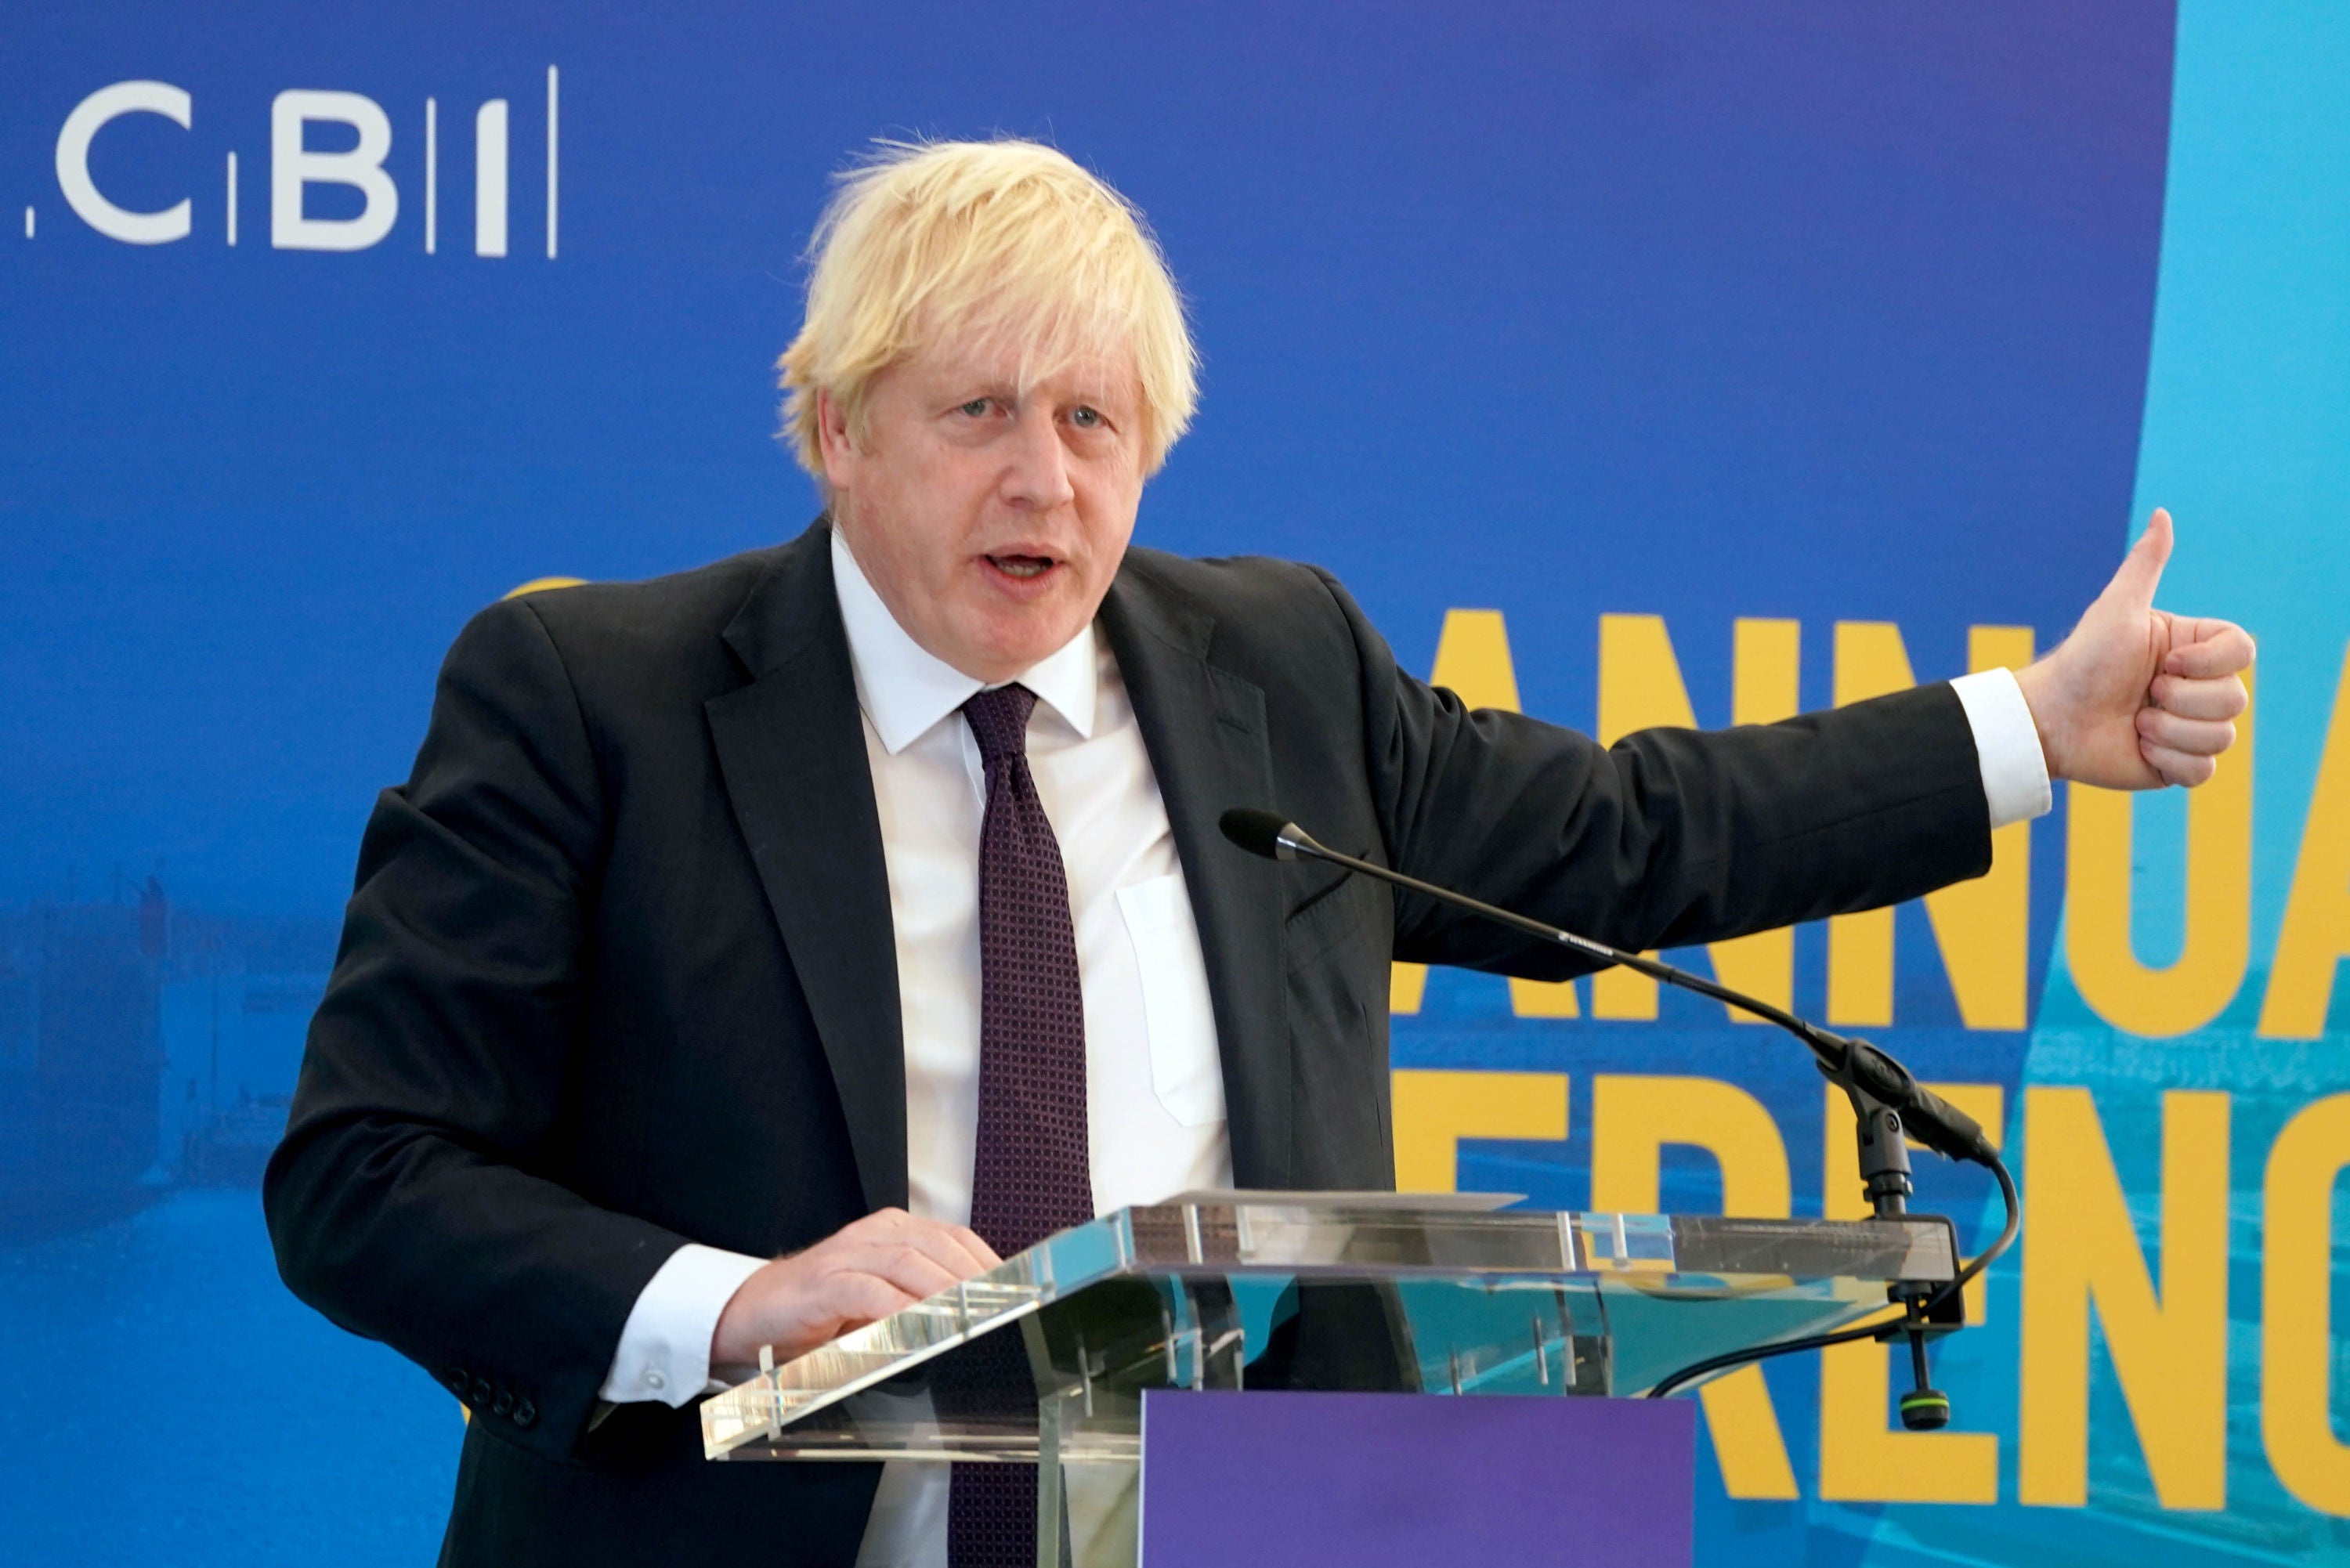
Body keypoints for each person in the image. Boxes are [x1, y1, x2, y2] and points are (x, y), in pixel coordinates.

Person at [265, 139, 2254, 1568]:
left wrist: (2030, 731)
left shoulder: (1274, 666)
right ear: (832, 427)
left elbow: (1627, 839)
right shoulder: (589, 694)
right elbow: (363, 1176)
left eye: (1098, 419)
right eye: (976, 411)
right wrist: (738, 1297)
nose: (1046, 478)